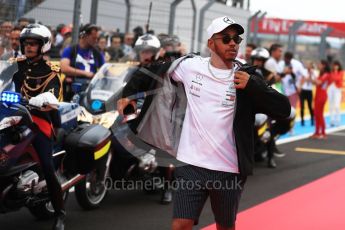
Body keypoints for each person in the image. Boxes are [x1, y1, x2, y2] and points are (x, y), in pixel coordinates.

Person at [118, 16, 292, 230]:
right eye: (226, 38)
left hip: (229, 170)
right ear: (211, 43)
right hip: (190, 164)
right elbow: (150, 71)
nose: (233, 43)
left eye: (236, 39)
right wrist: (128, 94)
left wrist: (254, 86)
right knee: (180, 224)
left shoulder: (247, 77)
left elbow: (284, 109)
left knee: (225, 226)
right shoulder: (190, 67)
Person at [12, 24, 65, 230]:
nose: (28, 47)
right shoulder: (15, 64)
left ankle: (59, 213)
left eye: (33, 43)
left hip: (37, 120)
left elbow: (54, 97)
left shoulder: (52, 70)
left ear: (43, 46)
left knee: (46, 165)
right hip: (12, 115)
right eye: (26, 43)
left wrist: (41, 99)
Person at [60, 23, 104, 101]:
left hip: (92, 89)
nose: (96, 41)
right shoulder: (70, 50)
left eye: (97, 38)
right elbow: (64, 68)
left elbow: (104, 69)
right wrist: (86, 74)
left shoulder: (97, 52)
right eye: (93, 38)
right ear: (84, 35)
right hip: (73, 89)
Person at [311, 60, 331, 139]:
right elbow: (315, 82)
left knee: (319, 114)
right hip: (318, 95)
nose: (318, 65)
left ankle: (322, 132)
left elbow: (318, 83)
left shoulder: (326, 74)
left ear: (324, 66)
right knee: (316, 114)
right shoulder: (321, 74)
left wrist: (313, 75)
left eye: (320, 64)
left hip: (322, 95)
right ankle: (317, 132)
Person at [299, 62, 315, 126]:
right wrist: (300, 87)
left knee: (310, 106)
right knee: (302, 106)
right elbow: (302, 79)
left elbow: (313, 82)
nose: (308, 67)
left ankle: (312, 120)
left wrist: (310, 76)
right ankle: (302, 121)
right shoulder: (304, 71)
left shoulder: (314, 73)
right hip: (303, 91)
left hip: (309, 91)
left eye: (310, 66)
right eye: (308, 65)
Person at [328, 60, 343, 127]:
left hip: (337, 89)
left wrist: (334, 75)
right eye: (334, 65)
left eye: (336, 65)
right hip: (331, 88)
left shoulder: (341, 72)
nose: (335, 67)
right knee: (331, 105)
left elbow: (337, 78)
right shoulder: (331, 72)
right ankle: (332, 121)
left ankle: (338, 121)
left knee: (337, 105)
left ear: (339, 66)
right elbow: (330, 79)